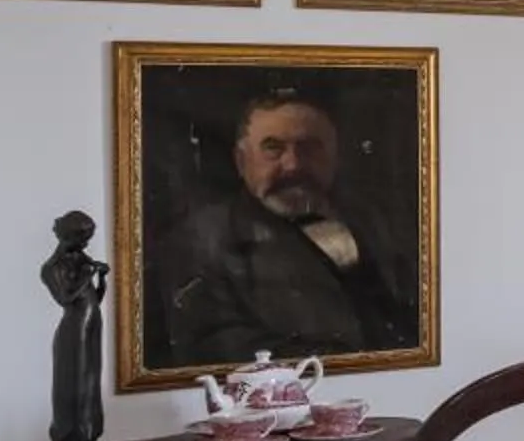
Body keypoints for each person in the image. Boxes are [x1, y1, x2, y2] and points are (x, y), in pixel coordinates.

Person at [162, 90, 420, 367]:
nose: (293, 165)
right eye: (273, 148)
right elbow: (214, 348)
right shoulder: (201, 240)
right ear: (241, 160)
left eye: (310, 147)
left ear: (334, 156)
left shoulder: (371, 223)